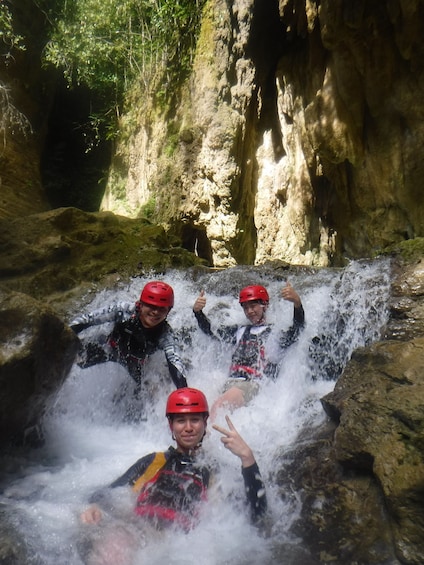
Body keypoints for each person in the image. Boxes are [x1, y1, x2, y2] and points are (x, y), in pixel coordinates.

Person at [79, 387, 267, 564]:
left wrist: (247, 458)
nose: (188, 428)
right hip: (137, 530)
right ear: (171, 425)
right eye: (180, 421)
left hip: (182, 544)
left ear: (204, 422)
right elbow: (106, 493)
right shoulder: (153, 460)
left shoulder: (214, 470)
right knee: (113, 550)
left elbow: (254, 515)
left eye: (194, 420)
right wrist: (94, 506)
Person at [193, 282, 305, 419]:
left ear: (265, 305)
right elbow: (211, 332)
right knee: (200, 408)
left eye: (253, 306)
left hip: (253, 385)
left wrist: (297, 304)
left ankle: (204, 439)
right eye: (246, 308)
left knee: (218, 407)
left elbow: (297, 331)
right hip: (231, 383)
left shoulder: (275, 333)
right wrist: (198, 313)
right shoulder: (239, 331)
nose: (250, 311)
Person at [69, 281, 188, 402]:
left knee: (145, 398)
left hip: (137, 365)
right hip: (109, 348)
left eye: (161, 309)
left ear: (168, 311)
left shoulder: (165, 334)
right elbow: (88, 319)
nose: (155, 312)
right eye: (151, 306)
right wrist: (66, 333)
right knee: (77, 358)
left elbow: (175, 363)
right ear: (141, 305)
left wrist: (184, 393)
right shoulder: (124, 311)